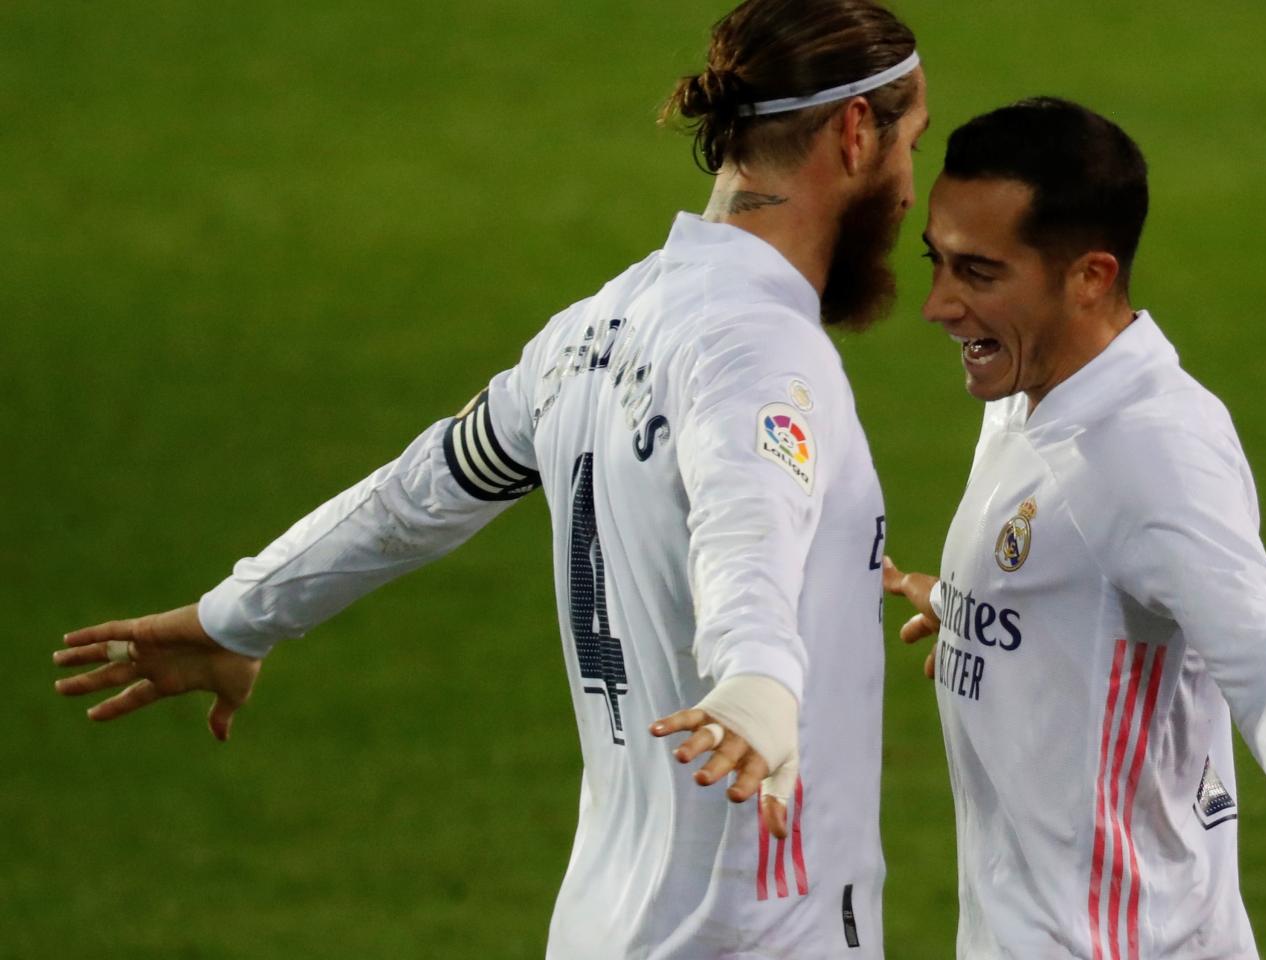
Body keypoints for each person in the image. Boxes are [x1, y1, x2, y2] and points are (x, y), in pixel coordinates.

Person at [51, 2, 928, 956]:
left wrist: (240, 614)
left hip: (603, 923)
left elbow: (417, 493)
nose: (912, 190)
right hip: (749, 929)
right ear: (853, 134)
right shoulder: (762, 349)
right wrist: (756, 675)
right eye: (909, 144)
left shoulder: (588, 333)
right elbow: (747, 510)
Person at [883, 98, 1266, 960]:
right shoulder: (1031, 397)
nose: (938, 304)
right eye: (937, 263)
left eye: (979, 273)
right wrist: (963, 603)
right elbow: (1080, 580)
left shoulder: (1152, 455)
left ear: (1088, 276)